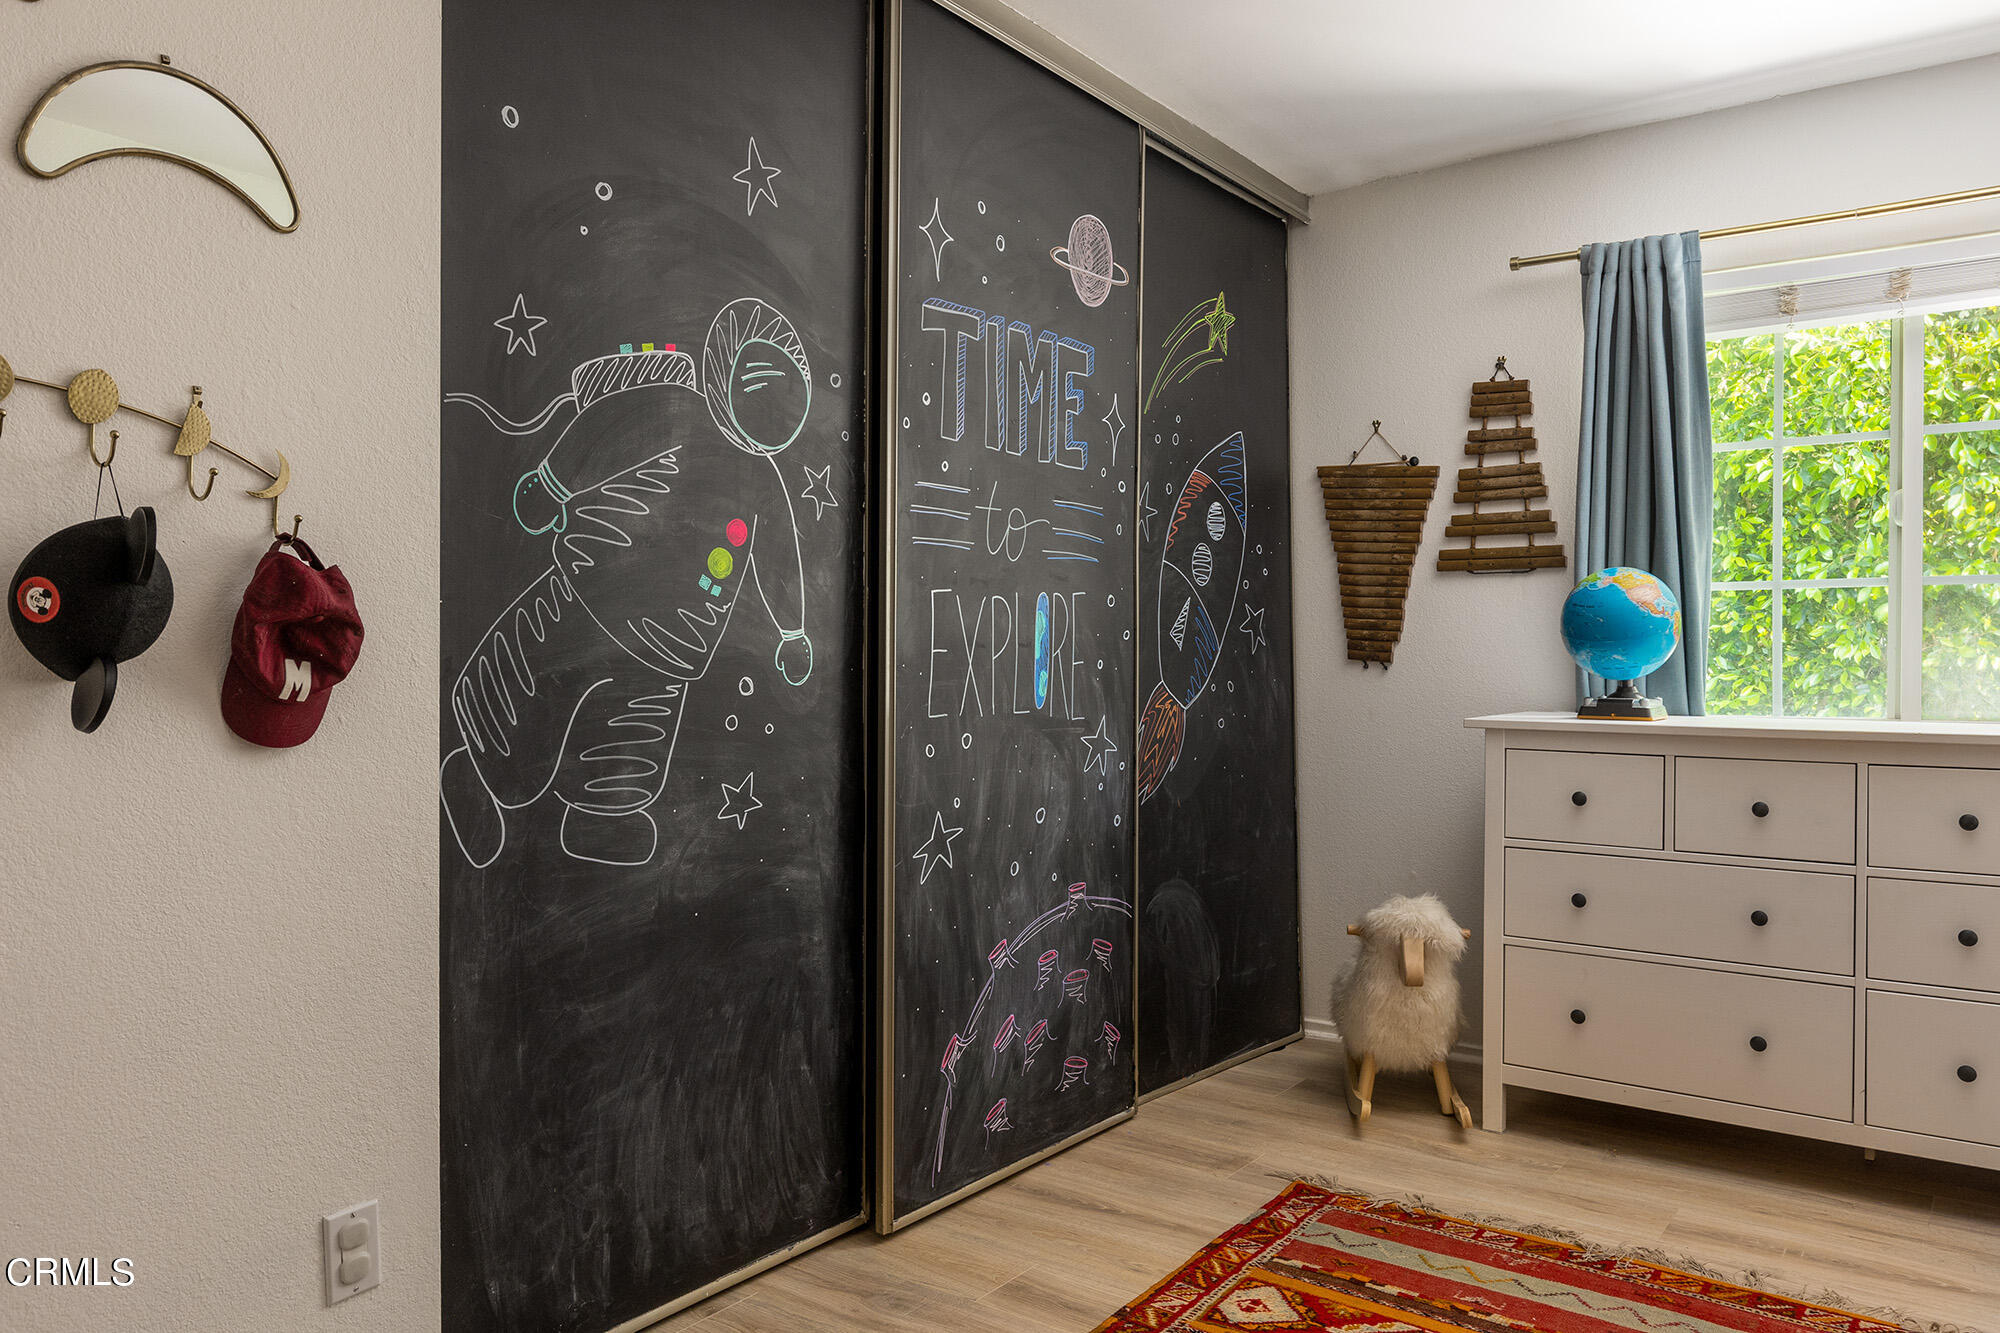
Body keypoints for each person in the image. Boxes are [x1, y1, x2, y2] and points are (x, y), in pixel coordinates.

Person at [441, 299, 814, 866]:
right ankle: (480, 773)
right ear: (724, 368)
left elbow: (779, 560)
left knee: (634, 730)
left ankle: (602, 814)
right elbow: (600, 430)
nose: (777, 403)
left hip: (672, 647)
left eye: (792, 393)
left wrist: (792, 631)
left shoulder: (765, 480)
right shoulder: (675, 409)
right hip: (591, 595)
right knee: (532, 683)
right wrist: (550, 486)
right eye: (763, 379)